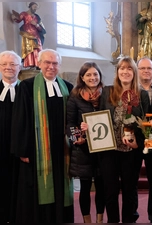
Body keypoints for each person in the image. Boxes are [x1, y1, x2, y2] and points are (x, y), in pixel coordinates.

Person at [10, 49, 74, 223]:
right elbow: (20, 119)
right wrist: (23, 149)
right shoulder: (27, 86)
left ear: (59, 65)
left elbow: (73, 118)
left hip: (61, 149)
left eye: (54, 63)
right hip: (36, 149)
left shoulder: (67, 87)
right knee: (36, 189)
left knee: (61, 185)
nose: (51, 67)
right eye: (47, 62)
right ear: (39, 63)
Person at [96, 57, 149, 223]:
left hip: (131, 151)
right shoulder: (107, 92)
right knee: (110, 190)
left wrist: (138, 143)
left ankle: (129, 220)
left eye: (129, 69)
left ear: (134, 73)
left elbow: (148, 123)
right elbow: (99, 119)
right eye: (122, 69)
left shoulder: (142, 94)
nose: (125, 72)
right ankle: (112, 221)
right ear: (117, 72)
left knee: (129, 190)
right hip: (109, 150)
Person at [66, 62, 105, 223]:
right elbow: (69, 123)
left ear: (100, 76)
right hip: (83, 150)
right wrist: (78, 136)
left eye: (95, 74)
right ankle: (87, 221)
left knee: (102, 188)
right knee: (85, 188)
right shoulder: (75, 96)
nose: (92, 77)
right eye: (88, 74)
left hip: (103, 148)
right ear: (82, 77)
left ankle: (100, 220)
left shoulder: (107, 94)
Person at [136, 57, 152, 223]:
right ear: (137, 70)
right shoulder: (131, 91)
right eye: (142, 68)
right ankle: (132, 214)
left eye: (149, 68)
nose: (146, 71)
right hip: (135, 141)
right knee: (131, 181)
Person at [0, 50, 22, 223]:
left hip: (19, 149)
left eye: (13, 64)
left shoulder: (26, 91)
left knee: (18, 185)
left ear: (19, 67)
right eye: (4, 64)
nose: (8, 67)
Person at [11, 2, 46, 68]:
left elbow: (42, 29)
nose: (35, 9)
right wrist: (14, 17)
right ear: (30, 6)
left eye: (36, 7)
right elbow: (18, 19)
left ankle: (37, 65)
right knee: (29, 49)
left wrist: (36, 24)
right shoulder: (24, 14)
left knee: (38, 50)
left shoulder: (37, 17)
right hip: (28, 35)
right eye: (34, 6)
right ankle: (30, 65)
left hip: (37, 36)